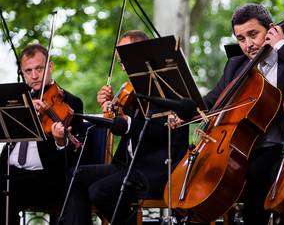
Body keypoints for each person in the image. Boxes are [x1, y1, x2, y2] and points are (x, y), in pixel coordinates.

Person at [201, 3, 284, 225]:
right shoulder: (236, 65)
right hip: (253, 149)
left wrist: (283, 46)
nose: (248, 45)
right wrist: (183, 111)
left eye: (253, 34)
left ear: (270, 29)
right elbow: (212, 100)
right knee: (245, 181)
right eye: (241, 39)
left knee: (280, 188)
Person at [61, 30, 189, 225]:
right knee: (75, 175)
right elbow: (121, 126)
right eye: (121, 63)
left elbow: (163, 131)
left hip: (155, 168)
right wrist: (109, 111)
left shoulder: (168, 86)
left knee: (99, 191)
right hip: (127, 165)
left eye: (125, 61)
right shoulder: (130, 91)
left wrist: (126, 122)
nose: (123, 69)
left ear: (141, 55)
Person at [0, 44, 84, 224]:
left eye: (39, 69)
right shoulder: (16, 99)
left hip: (44, 177)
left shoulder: (70, 103)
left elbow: (72, 156)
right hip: (8, 172)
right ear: (22, 72)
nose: (34, 76)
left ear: (50, 67)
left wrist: (60, 141)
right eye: (28, 71)